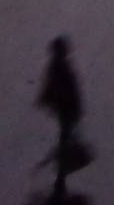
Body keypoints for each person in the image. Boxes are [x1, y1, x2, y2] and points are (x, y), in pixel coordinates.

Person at [36, 36, 87, 202]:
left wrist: (46, 99)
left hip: (65, 110)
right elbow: (63, 89)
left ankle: (60, 180)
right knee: (64, 139)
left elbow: (55, 88)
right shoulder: (61, 67)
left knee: (64, 139)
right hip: (66, 110)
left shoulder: (58, 66)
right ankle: (60, 179)